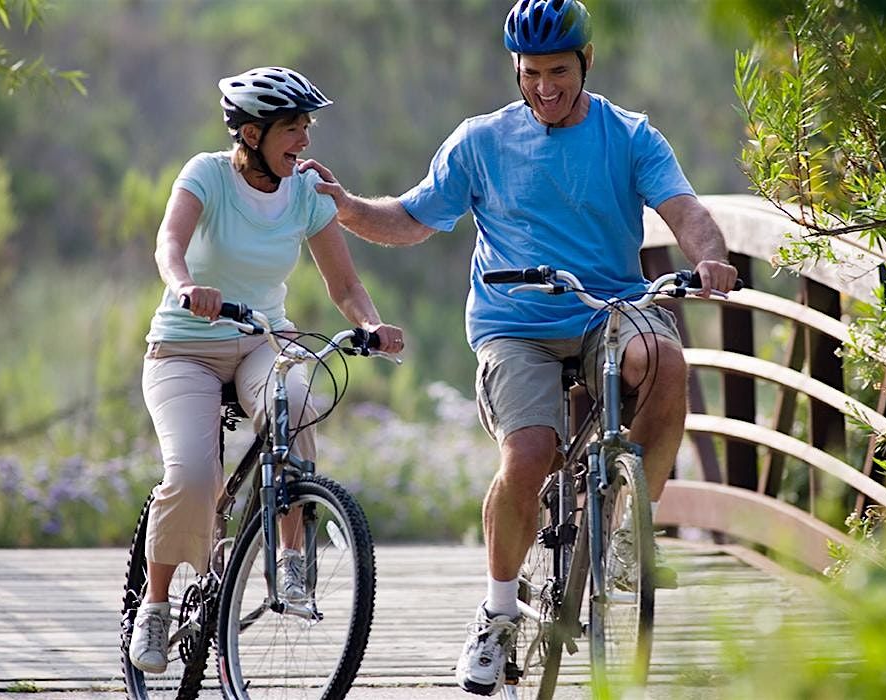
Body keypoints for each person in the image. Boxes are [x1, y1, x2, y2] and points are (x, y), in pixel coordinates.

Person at [307, 0, 737, 694]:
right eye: (531, 72)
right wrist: (347, 206)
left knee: (665, 360)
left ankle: (631, 530)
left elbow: (685, 212)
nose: (544, 87)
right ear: (515, 68)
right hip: (515, 324)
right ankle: (497, 613)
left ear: (587, 61)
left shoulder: (630, 136)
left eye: (558, 71)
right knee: (530, 454)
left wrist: (710, 257)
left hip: (608, 309)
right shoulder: (481, 141)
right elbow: (412, 220)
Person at [128, 66, 404, 675]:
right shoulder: (207, 174)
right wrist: (186, 286)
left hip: (262, 339)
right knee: (193, 473)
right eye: (292, 128)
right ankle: (155, 605)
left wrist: (371, 324)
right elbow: (168, 244)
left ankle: (291, 558)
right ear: (251, 135)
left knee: (298, 406)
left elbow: (345, 284)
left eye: (307, 127)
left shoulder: (306, 191)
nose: (304, 140)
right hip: (185, 348)